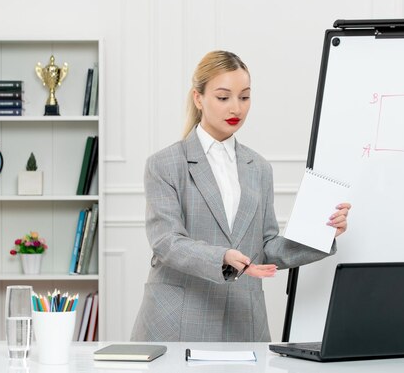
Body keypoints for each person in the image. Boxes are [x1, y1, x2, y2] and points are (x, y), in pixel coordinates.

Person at [131, 50, 351, 342]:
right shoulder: (165, 164)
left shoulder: (258, 167)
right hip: (180, 319)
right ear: (199, 98)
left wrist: (324, 233)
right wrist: (223, 257)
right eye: (223, 98)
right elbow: (166, 242)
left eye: (244, 97)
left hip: (242, 320)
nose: (236, 108)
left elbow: (267, 247)